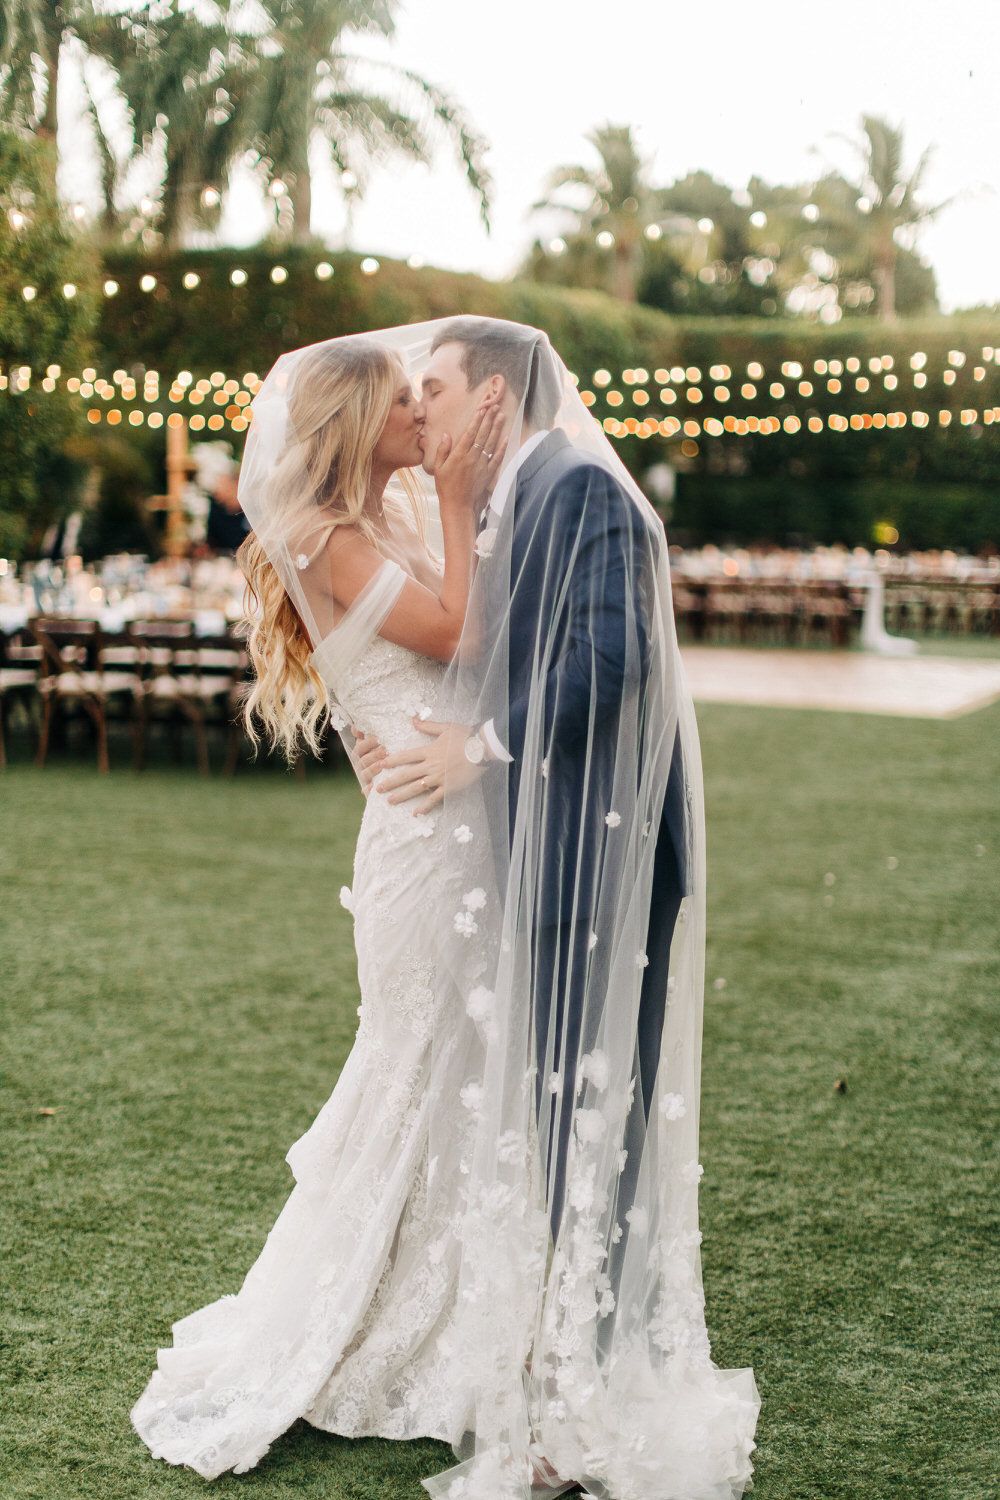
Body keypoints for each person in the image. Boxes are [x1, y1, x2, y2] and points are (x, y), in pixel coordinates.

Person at [130, 318, 761, 1500]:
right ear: (359, 423)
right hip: (426, 837)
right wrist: (465, 512)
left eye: (434, 395)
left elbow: (496, 650)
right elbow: (467, 636)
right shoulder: (328, 529)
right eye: (404, 403)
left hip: (478, 817)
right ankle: (371, 1325)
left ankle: (481, 1315)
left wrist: (460, 511)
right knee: (420, 1060)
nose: (423, 418)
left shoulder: (409, 513)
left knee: (477, 1076)